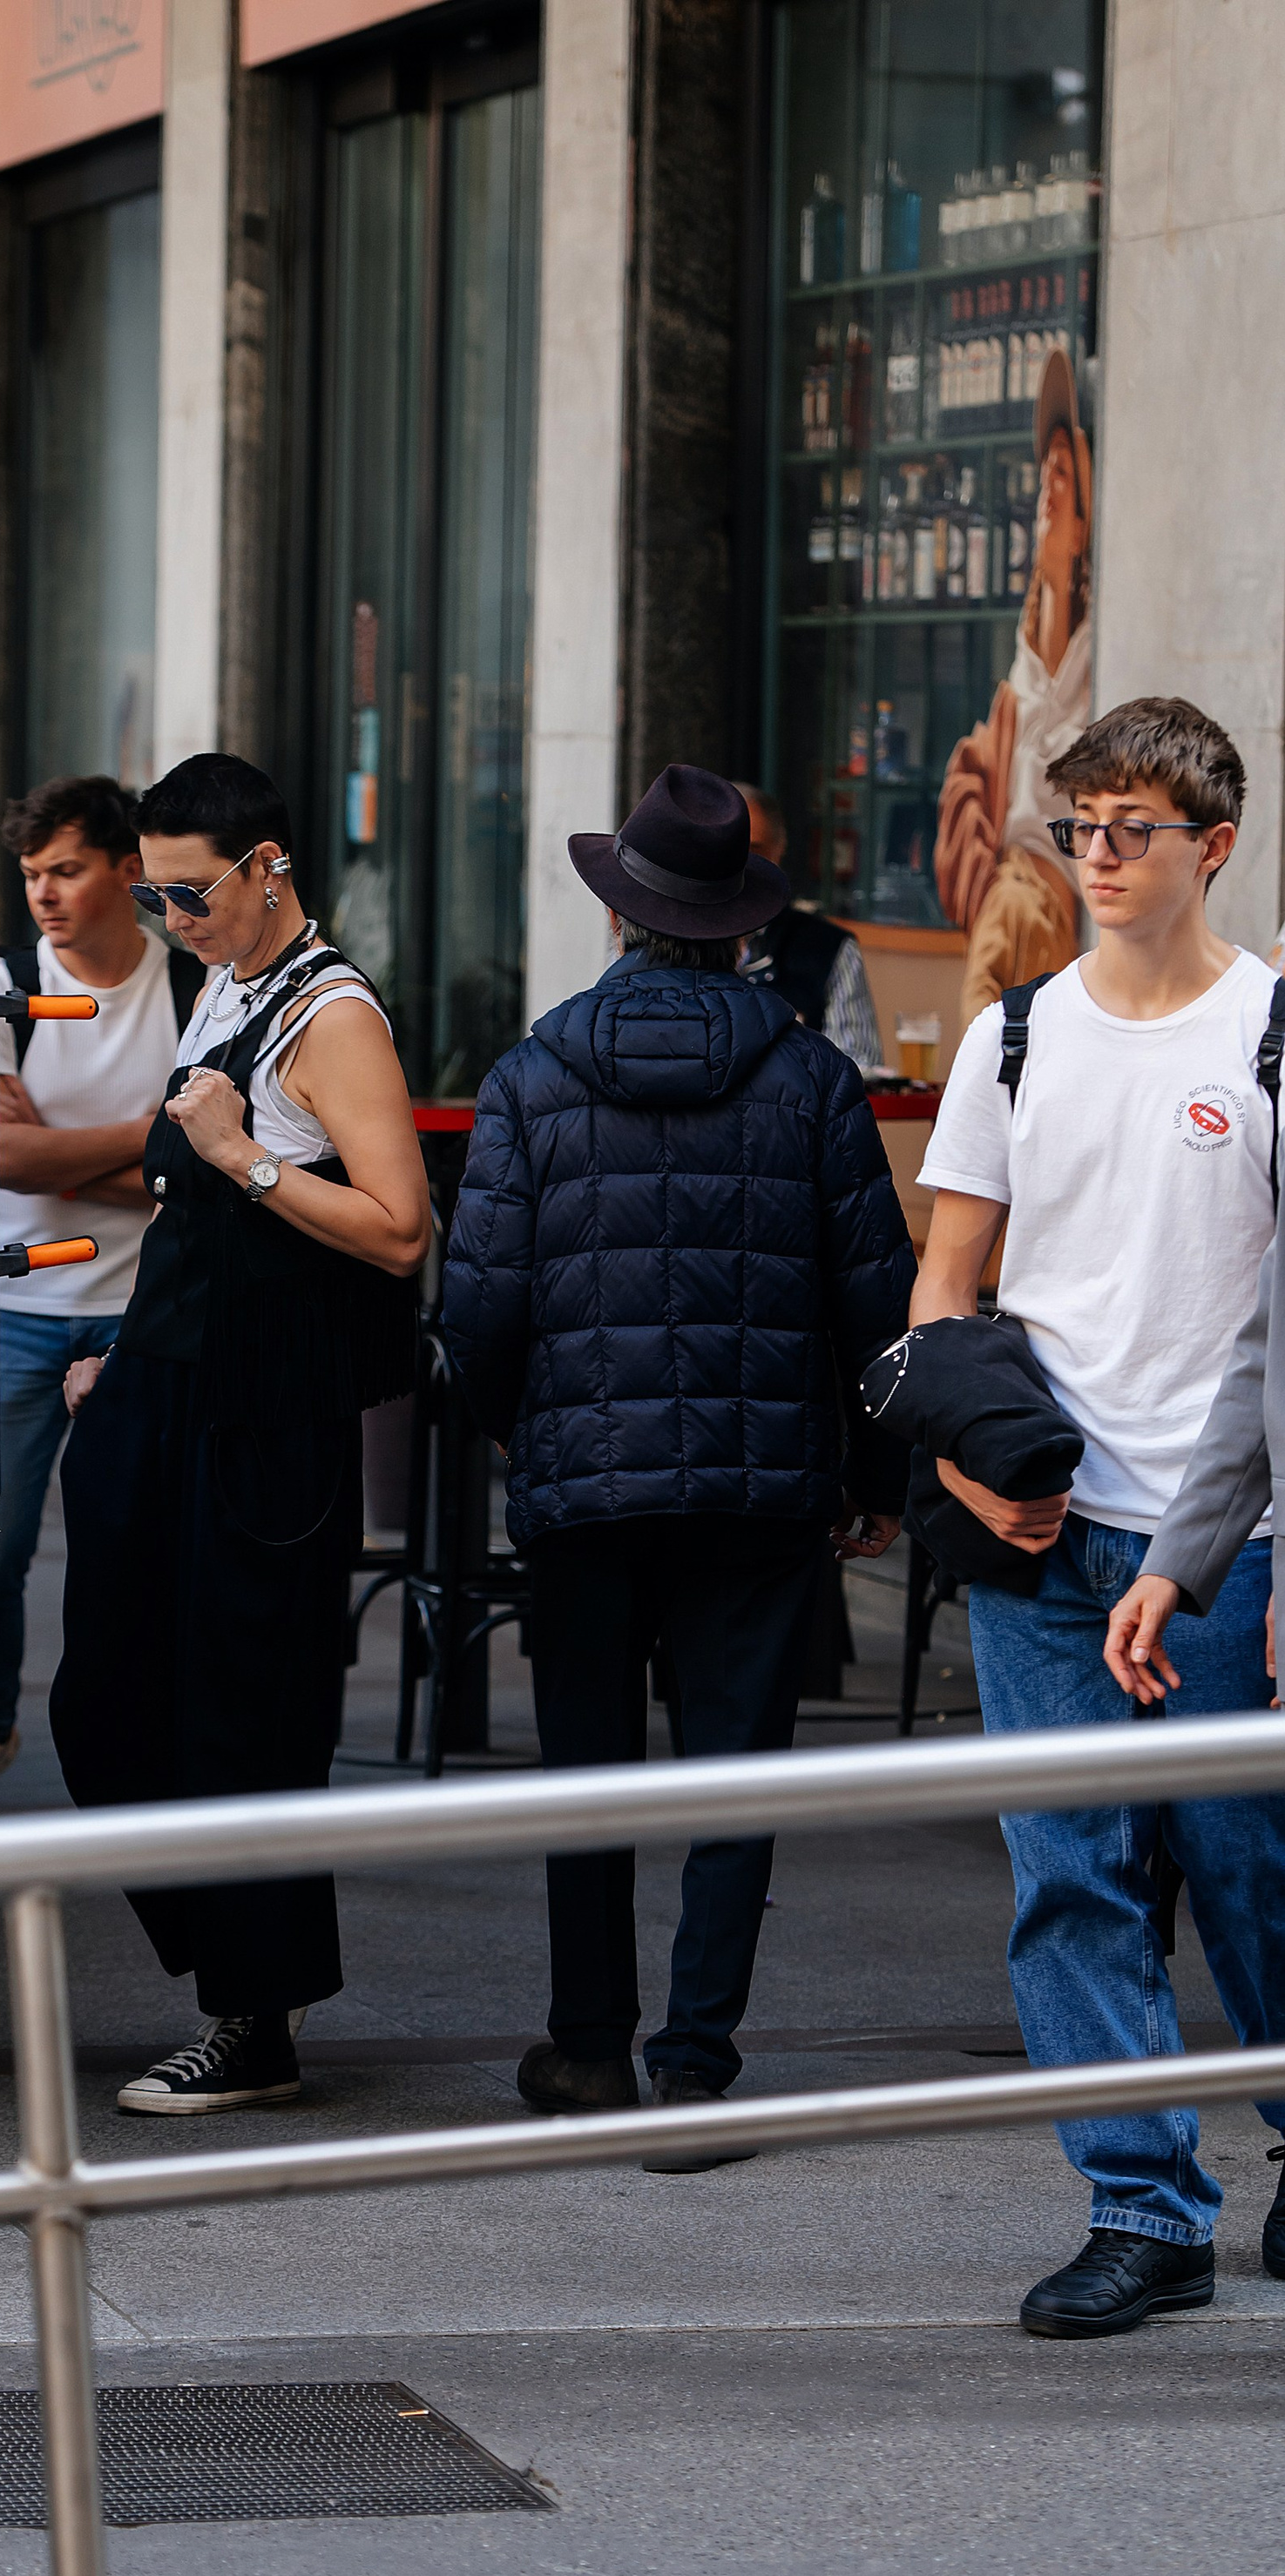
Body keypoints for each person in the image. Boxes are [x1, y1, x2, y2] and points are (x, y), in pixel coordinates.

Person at [442, 766, 913, 2169]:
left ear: (619, 914)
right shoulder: (814, 1080)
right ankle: (696, 2067)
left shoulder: (529, 1076)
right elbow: (877, 1304)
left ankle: (589, 2049)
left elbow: (479, 1307)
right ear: (744, 926)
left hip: (584, 1485)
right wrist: (878, 1476)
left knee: (587, 1776)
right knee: (735, 1778)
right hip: (763, 1489)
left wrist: (521, 1430)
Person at [911, 693, 1285, 2337]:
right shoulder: (1015, 1036)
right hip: (1044, 1532)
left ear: (1216, 846)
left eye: (1137, 830)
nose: (1102, 857)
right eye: (1081, 829)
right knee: (1070, 1875)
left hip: (1228, 1538)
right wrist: (957, 1460)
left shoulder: (1270, 1035)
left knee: (1251, 1870)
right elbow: (946, 1280)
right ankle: (1142, 2208)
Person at [49, 753, 428, 2113]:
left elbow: (399, 1230)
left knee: (246, 1716)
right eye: (156, 897)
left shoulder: (332, 1014)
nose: (174, 920)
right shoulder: (224, 985)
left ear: (270, 870)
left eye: (193, 894)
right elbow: (188, 1226)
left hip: (264, 1418)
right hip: (165, 1395)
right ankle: (229, 1962)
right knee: (104, 1704)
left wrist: (245, 1157)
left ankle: (254, 2014)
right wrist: (127, 1352)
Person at [0, 777, 201, 1778]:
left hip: (140, 1313)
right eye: (31, 873)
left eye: (66, 870)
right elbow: (2, 1157)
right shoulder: (2, 985)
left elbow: (200, 1179)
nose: (43, 892)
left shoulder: (191, 992)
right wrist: (156, 1135)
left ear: (127, 872)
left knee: (137, 1547)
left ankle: (139, 1752)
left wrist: (63, 1158)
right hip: (14, 1307)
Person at [935, 344, 1093, 1028]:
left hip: (1068, 914)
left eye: (1064, 475)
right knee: (981, 1050)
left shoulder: (1103, 655)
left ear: (1087, 513)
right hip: (1009, 896)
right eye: (1044, 474)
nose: (1047, 493)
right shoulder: (1027, 655)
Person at [734, 785, 887, 1076]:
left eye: (754, 851)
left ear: (779, 850)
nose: (739, 864)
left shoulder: (828, 947)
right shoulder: (671, 943)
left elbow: (858, 1067)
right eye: (726, 850)